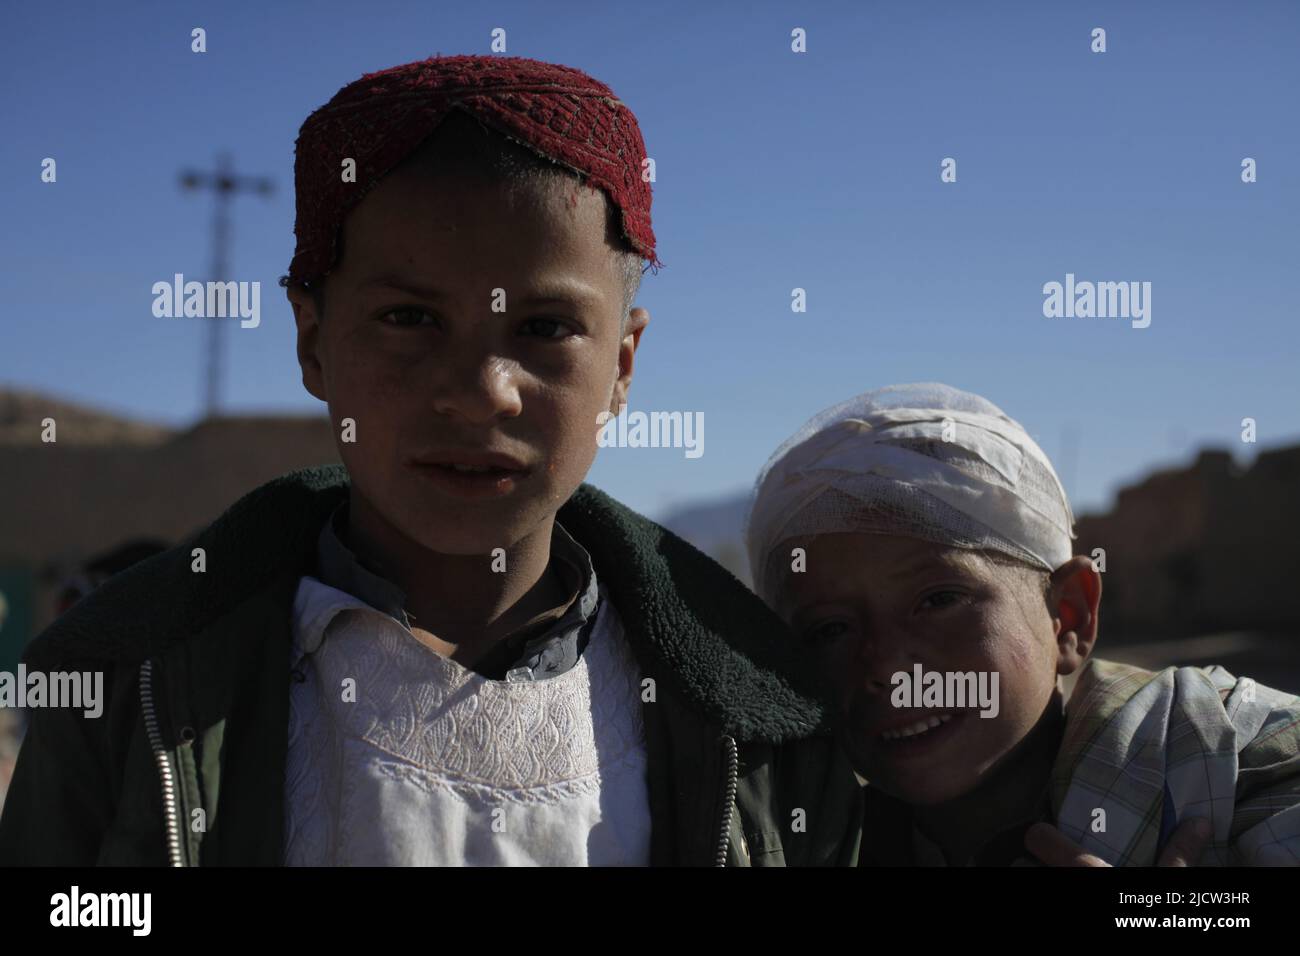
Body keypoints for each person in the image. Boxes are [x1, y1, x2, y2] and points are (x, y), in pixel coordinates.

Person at [0, 55, 861, 866]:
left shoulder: (761, 719)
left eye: (546, 328)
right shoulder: (123, 687)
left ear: (623, 365)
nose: (484, 392)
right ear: (313, 341)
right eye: (410, 321)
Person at [744, 382, 1300, 866]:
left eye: (938, 600)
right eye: (830, 630)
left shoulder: (1237, 762)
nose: (885, 665)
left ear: (1068, 617)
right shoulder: (810, 843)